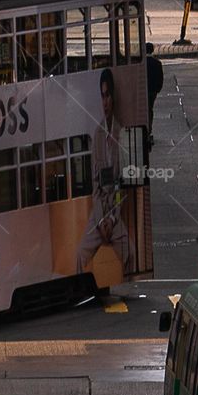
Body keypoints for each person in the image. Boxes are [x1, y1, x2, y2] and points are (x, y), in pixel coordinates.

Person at [76, 68, 130, 273]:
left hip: (114, 212)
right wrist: (100, 220)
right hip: (99, 215)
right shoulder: (97, 135)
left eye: (108, 96)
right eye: (102, 96)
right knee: (80, 254)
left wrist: (112, 218)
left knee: (130, 253)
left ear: (113, 97)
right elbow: (95, 185)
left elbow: (122, 184)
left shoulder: (122, 133)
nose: (105, 102)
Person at [145, 43, 164, 145]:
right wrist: (157, 89)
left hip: (144, 90)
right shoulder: (157, 63)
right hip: (152, 91)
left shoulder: (141, 63)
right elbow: (160, 78)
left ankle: (145, 130)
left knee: (144, 109)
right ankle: (149, 130)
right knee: (150, 109)